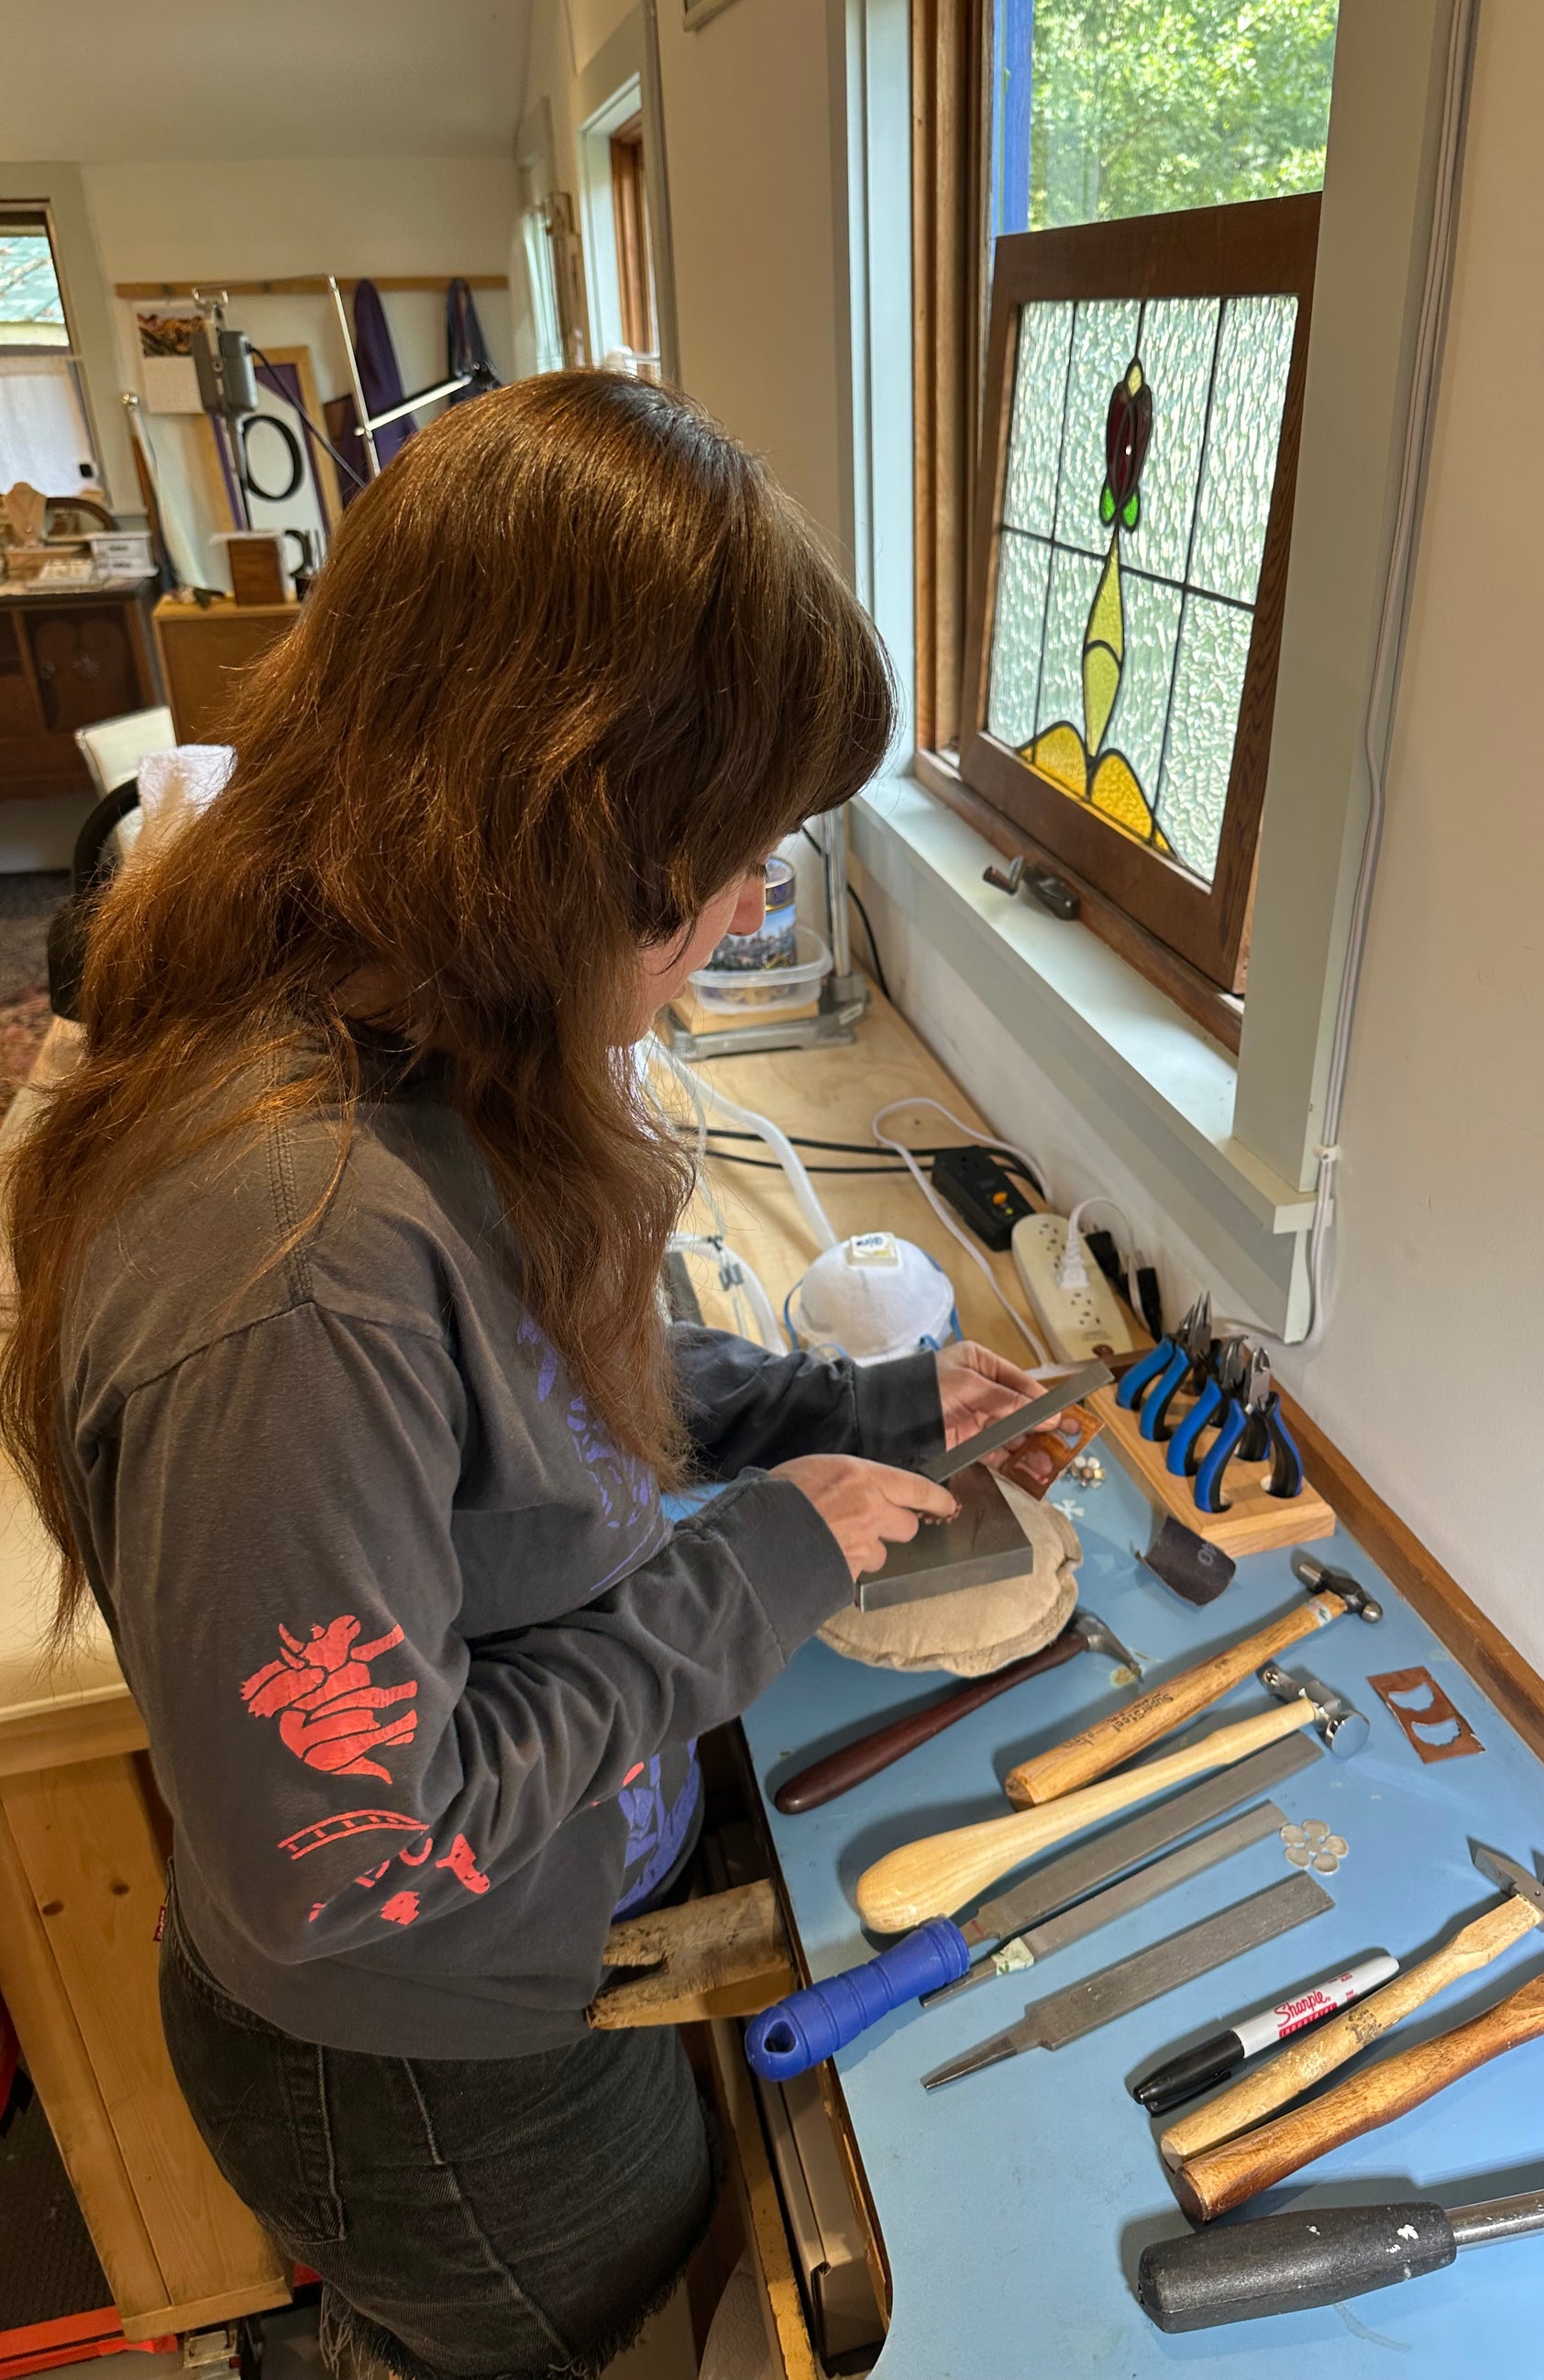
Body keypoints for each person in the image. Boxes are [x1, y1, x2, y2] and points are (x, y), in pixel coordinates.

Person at [0, 372, 1037, 2379]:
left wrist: (848, 1412)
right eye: (732, 854)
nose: (750, 905)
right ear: (567, 825)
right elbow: (356, 1854)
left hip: (530, 1962)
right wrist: (760, 1568)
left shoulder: (423, 1027)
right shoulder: (288, 1271)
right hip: (432, 2068)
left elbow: (560, 1384)